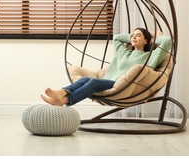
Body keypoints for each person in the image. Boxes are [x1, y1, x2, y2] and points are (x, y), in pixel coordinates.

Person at [41, 28, 172, 106]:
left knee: (92, 81)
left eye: (138, 36)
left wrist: (153, 36)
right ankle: (62, 94)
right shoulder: (124, 52)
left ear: (146, 41)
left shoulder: (150, 56)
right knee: (86, 79)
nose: (133, 37)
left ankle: (64, 100)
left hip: (122, 84)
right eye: (132, 35)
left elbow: (166, 42)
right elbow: (117, 38)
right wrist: (134, 36)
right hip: (107, 81)